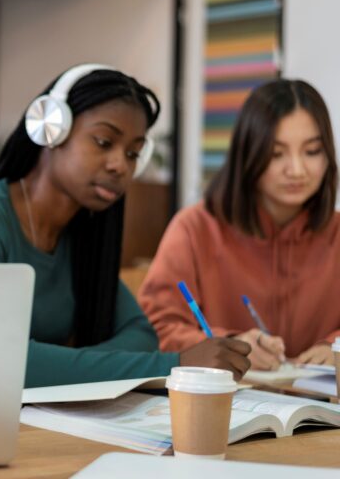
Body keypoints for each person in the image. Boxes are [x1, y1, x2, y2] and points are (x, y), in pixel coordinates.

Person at [0, 64, 251, 388]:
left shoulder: (80, 236)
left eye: (133, 153)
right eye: (104, 142)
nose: (120, 165)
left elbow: (140, 334)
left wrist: (61, 366)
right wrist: (175, 366)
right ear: (52, 129)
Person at [139, 79, 340, 370]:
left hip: (316, 398)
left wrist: (334, 346)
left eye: (311, 151)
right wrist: (229, 346)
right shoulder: (195, 228)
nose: (297, 170)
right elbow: (155, 330)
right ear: (248, 153)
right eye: (276, 153)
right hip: (226, 396)